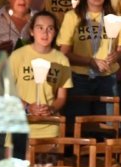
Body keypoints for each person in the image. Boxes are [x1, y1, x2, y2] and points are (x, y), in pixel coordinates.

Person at [57, 0, 121, 117]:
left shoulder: (116, 17)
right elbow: (64, 53)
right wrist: (90, 61)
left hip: (107, 76)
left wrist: (116, 56)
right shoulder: (72, 16)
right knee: (78, 127)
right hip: (80, 78)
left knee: (109, 126)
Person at [7, 11, 72, 139]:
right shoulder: (18, 56)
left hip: (50, 128)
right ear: (31, 31)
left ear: (55, 32)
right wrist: (27, 107)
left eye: (50, 28)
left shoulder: (61, 60)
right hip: (21, 127)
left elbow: (61, 97)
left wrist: (51, 109)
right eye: (40, 28)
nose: (45, 33)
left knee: (49, 160)